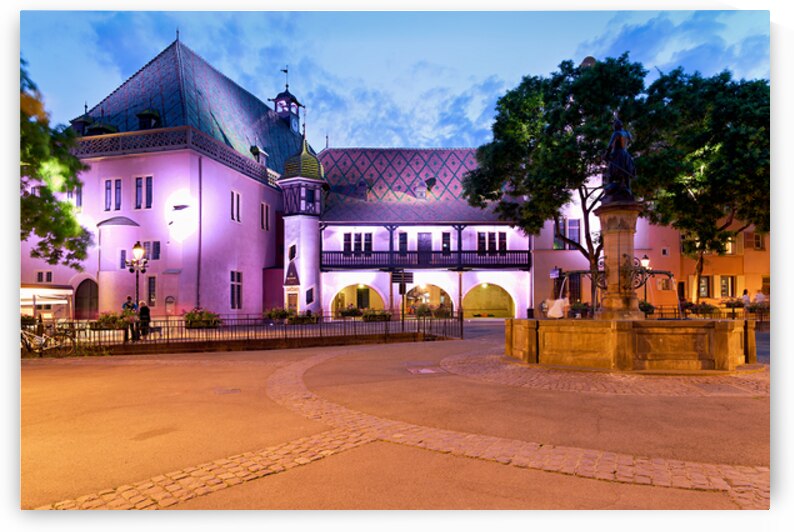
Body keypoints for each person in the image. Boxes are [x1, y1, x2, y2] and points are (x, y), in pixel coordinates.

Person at [604, 119, 636, 197]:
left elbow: (610, 145)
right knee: (626, 172)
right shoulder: (627, 133)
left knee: (611, 171)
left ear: (615, 126)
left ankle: (609, 190)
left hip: (617, 154)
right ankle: (628, 188)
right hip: (625, 154)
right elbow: (631, 140)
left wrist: (606, 155)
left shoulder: (616, 133)